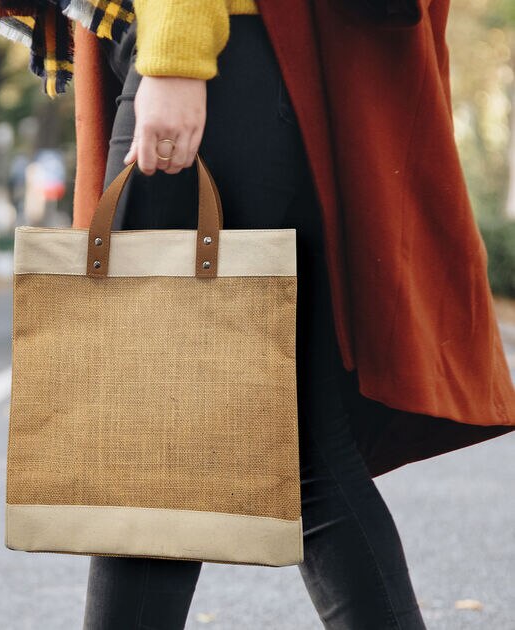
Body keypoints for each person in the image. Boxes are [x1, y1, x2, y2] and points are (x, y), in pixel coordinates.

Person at [79, 8, 427, 630]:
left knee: (152, 459)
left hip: (199, 59)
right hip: (248, 65)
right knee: (305, 453)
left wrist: (175, 58)